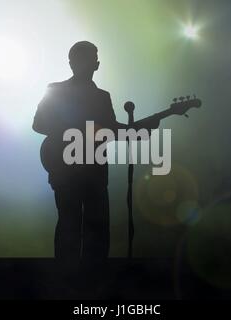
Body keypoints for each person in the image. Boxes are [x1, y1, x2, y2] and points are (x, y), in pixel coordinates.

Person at [32, 41, 159, 259]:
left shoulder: (102, 97)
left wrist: (140, 130)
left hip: (92, 171)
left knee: (93, 227)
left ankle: (90, 280)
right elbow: (39, 124)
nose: (90, 63)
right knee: (71, 224)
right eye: (86, 58)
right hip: (69, 169)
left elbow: (109, 131)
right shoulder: (55, 90)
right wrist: (76, 131)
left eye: (91, 58)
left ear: (96, 64)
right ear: (73, 63)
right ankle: (69, 278)